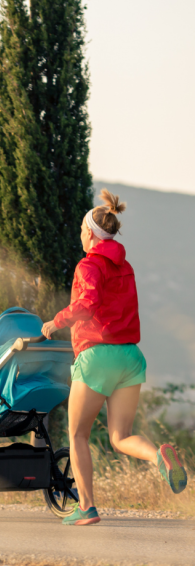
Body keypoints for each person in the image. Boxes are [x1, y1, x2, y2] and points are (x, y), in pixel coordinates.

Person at [41, 189, 188, 526]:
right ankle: (158, 457)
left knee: (77, 434)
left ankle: (87, 507)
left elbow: (88, 304)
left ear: (90, 233)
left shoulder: (89, 264)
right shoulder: (126, 266)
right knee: (120, 437)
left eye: (82, 229)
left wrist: (56, 321)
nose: (80, 234)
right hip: (131, 357)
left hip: (98, 356)